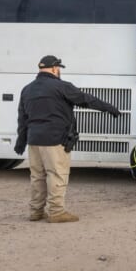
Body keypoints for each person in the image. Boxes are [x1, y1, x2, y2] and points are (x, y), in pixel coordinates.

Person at [15, 55, 121, 223]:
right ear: (55, 68)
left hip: (34, 139)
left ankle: (35, 212)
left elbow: (22, 117)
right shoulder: (61, 86)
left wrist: (21, 141)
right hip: (54, 139)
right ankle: (56, 212)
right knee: (57, 174)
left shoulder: (27, 89)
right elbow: (86, 99)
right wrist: (109, 108)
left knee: (37, 177)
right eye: (59, 69)